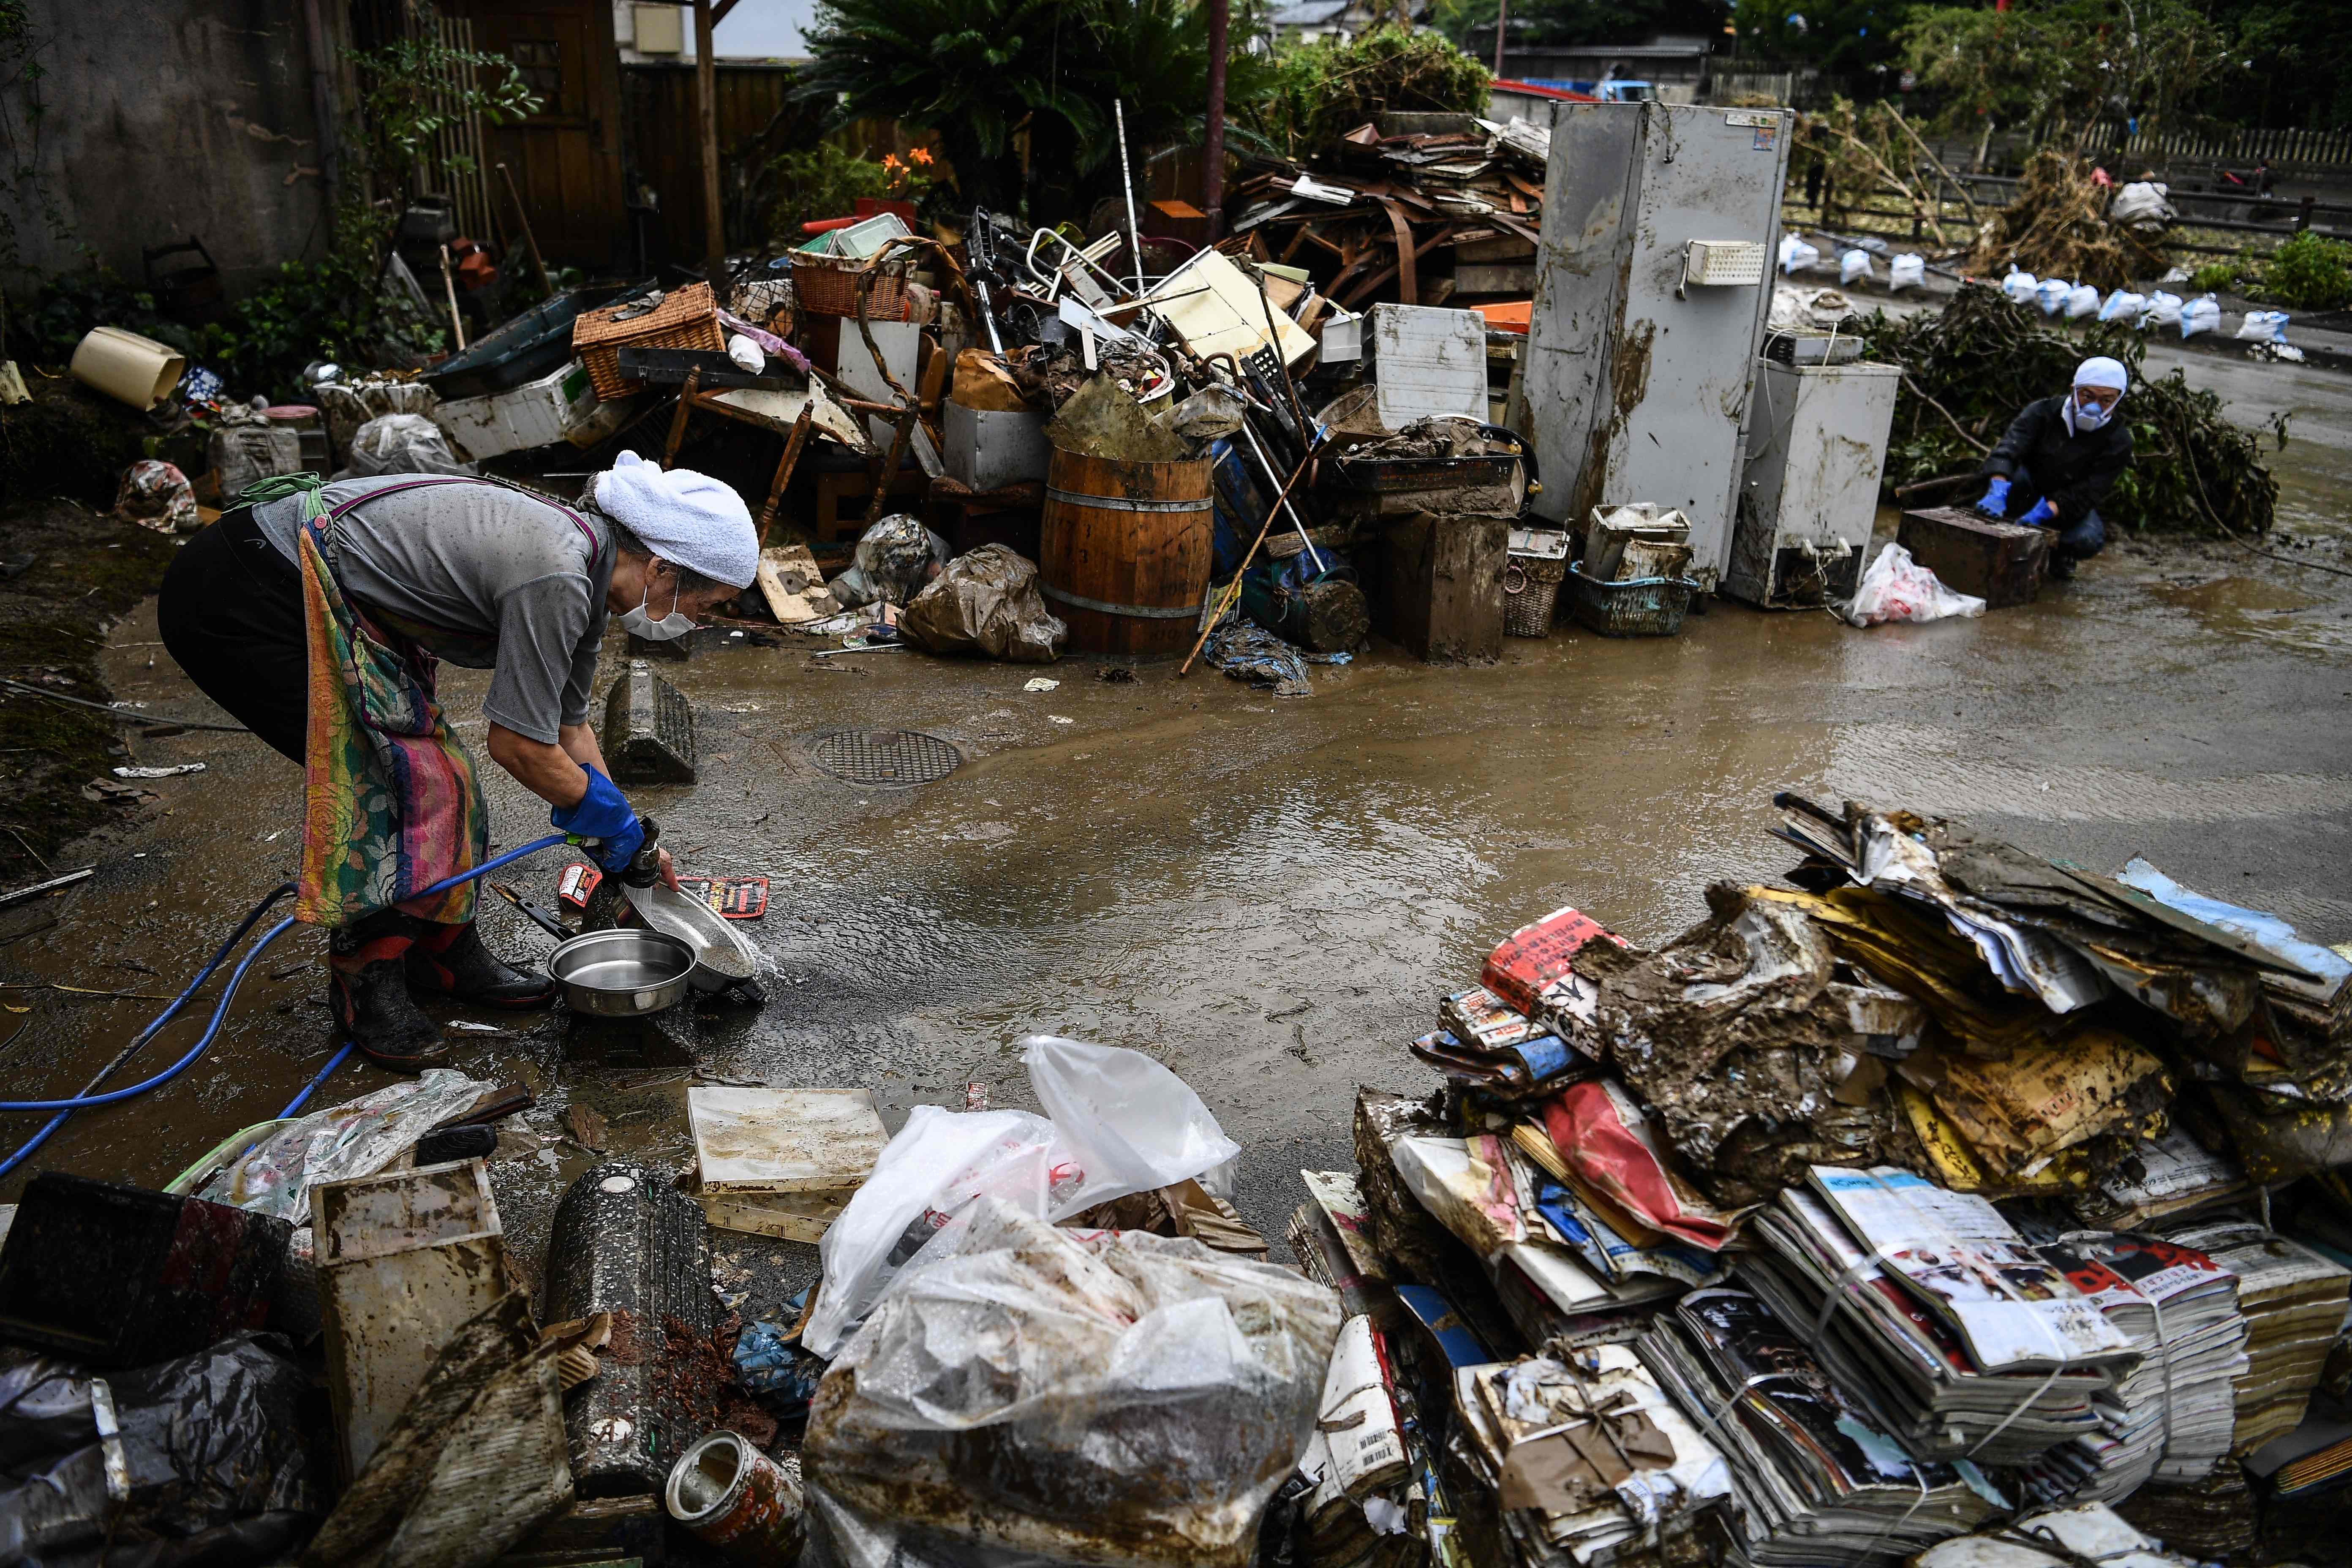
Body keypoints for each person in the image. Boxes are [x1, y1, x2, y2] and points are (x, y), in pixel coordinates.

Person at [157, 452, 757, 1067]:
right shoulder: (557, 574)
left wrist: (632, 837)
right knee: (401, 790)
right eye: (704, 606)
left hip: (313, 583)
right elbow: (519, 746)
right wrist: (609, 824)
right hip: (246, 592)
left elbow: (566, 726)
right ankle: (367, 982)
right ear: (661, 568)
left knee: (451, 784)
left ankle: (443, 954)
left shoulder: (590, 568)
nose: (697, 622)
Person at [1974, 356, 2133, 579]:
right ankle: (1999, 533)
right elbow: (2009, 449)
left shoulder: (2119, 441)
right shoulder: (2042, 412)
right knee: (2014, 480)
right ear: (2073, 390)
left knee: (2087, 539)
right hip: (2027, 487)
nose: (2095, 407)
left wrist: (2046, 511)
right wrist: (1997, 489)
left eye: (2106, 400)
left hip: (2065, 506)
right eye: (2088, 396)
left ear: (2117, 401)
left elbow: (2091, 490)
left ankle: (2058, 555)